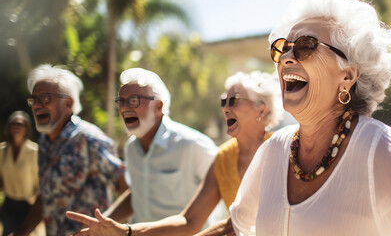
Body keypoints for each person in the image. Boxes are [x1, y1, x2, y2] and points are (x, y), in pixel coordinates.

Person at [196, 0, 391, 235]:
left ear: (348, 75)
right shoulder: (275, 149)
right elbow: (235, 227)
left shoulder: (378, 150)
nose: (287, 57)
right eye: (282, 48)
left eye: (306, 46)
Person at [66, 71, 284, 235]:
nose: (225, 108)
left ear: (262, 109)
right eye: (223, 101)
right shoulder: (223, 157)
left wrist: (127, 232)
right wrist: (122, 230)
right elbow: (189, 221)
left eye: (234, 101)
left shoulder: (283, 149)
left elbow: (238, 223)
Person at [93, 68, 218, 225]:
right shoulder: (131, 148)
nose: (124, 108)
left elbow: (225, 189)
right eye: (121, 101)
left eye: (133, 100)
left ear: (158, 107)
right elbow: (137, 194)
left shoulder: (191, 145)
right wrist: (100, 224)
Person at [14, 64, 126, 236]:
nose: (36, 105)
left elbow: (128, 188)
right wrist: (21, 232)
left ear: (68, 104)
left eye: (45, 98)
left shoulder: (90, 140)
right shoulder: (44, 142)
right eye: (34, 99)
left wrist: (116, 229)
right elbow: (46, 196)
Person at [0, 111, 44, 236]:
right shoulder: (2, 151)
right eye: (13, 124)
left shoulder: (34, 151)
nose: (16, 127)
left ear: (27, 128)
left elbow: (40, 182)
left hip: (27, 206)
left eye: (20, 124)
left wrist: (36, 206)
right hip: (8, 204)